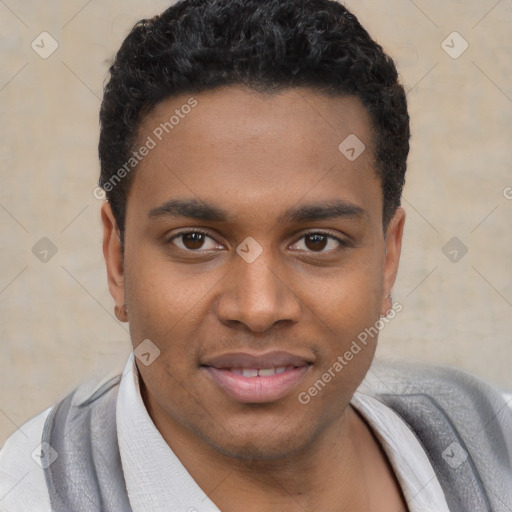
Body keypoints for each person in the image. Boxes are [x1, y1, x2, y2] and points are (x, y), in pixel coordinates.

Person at [1, 0, 511, 510]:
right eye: (194, 241)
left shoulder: (494, 442)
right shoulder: (26, 493)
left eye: (317, 241)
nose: (258, 308)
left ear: (387, 260)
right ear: (116, 259)